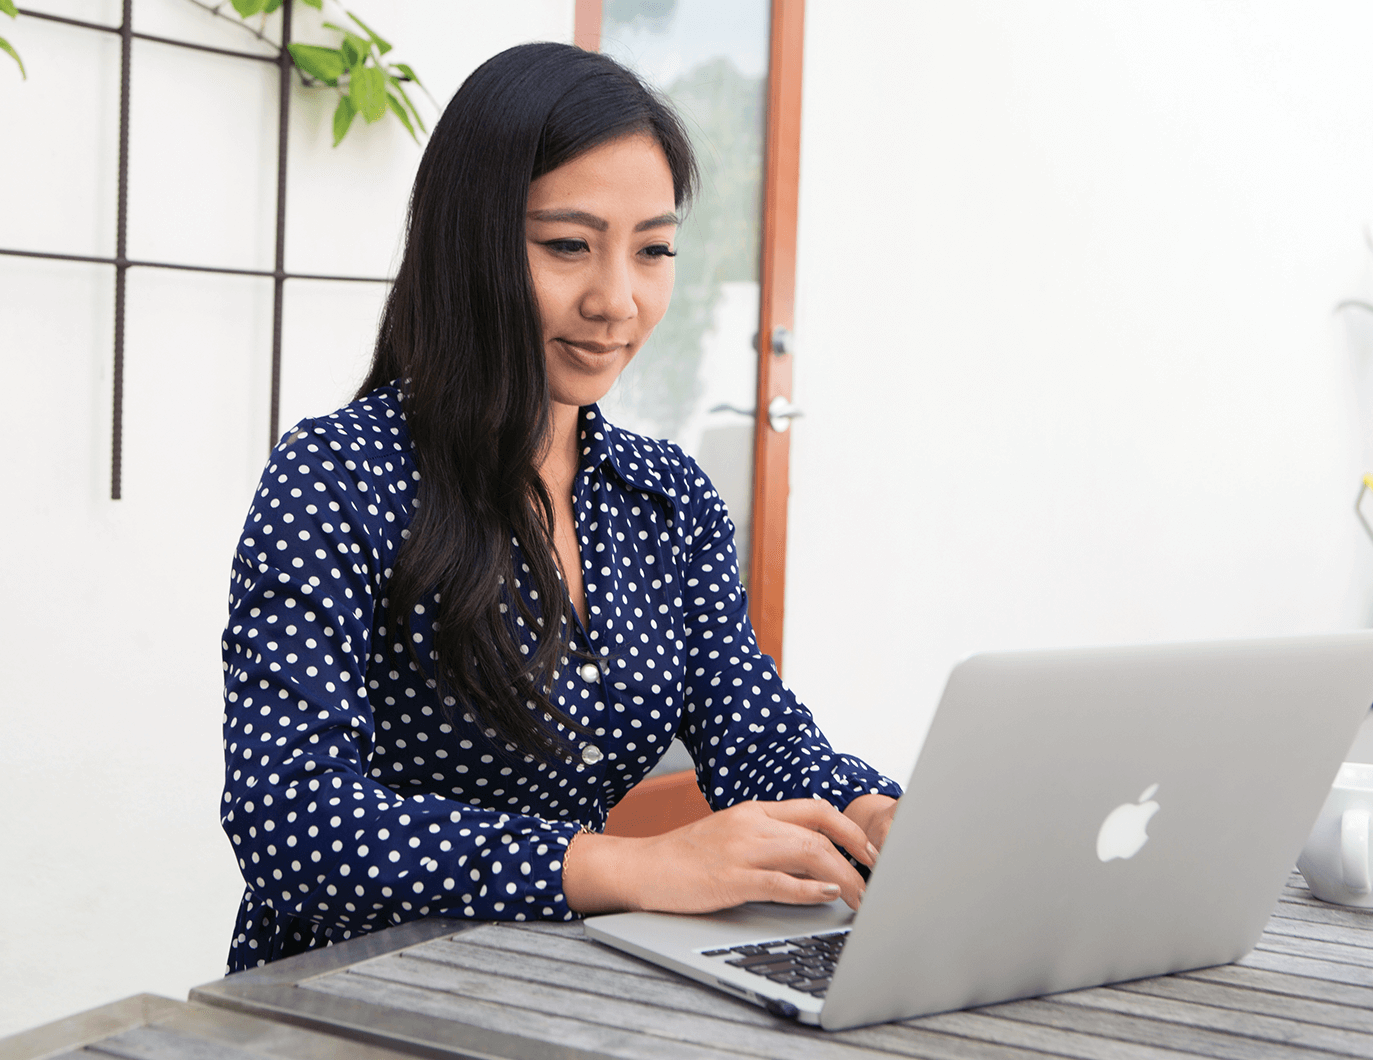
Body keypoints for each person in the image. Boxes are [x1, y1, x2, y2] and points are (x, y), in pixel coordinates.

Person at [219, 41, 901, 972]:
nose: (617, 300)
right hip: (353, 996)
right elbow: (290, 820)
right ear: (471, 243)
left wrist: (870, 815)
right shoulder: (338, 477)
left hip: (570, 987)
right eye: (568, 246)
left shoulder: (665, 497)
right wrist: (621, 866)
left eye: (653, 250)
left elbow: (758, 737)